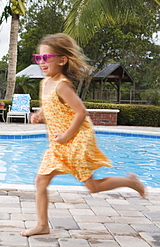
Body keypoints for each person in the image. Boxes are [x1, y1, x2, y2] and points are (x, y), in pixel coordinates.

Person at [20, 33, 146, 237]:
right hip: (59, 142)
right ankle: (42, 225)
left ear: (62, 60)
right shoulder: (46, 83)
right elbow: (51, 106)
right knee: (40, 181)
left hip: (77, 139)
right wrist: (40, 114)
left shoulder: (62, 84)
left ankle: (130, 182)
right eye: (38, 58)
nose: (41, 62)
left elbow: (81, 113)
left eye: (46, 58)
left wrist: (67, 136)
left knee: (93, 187)